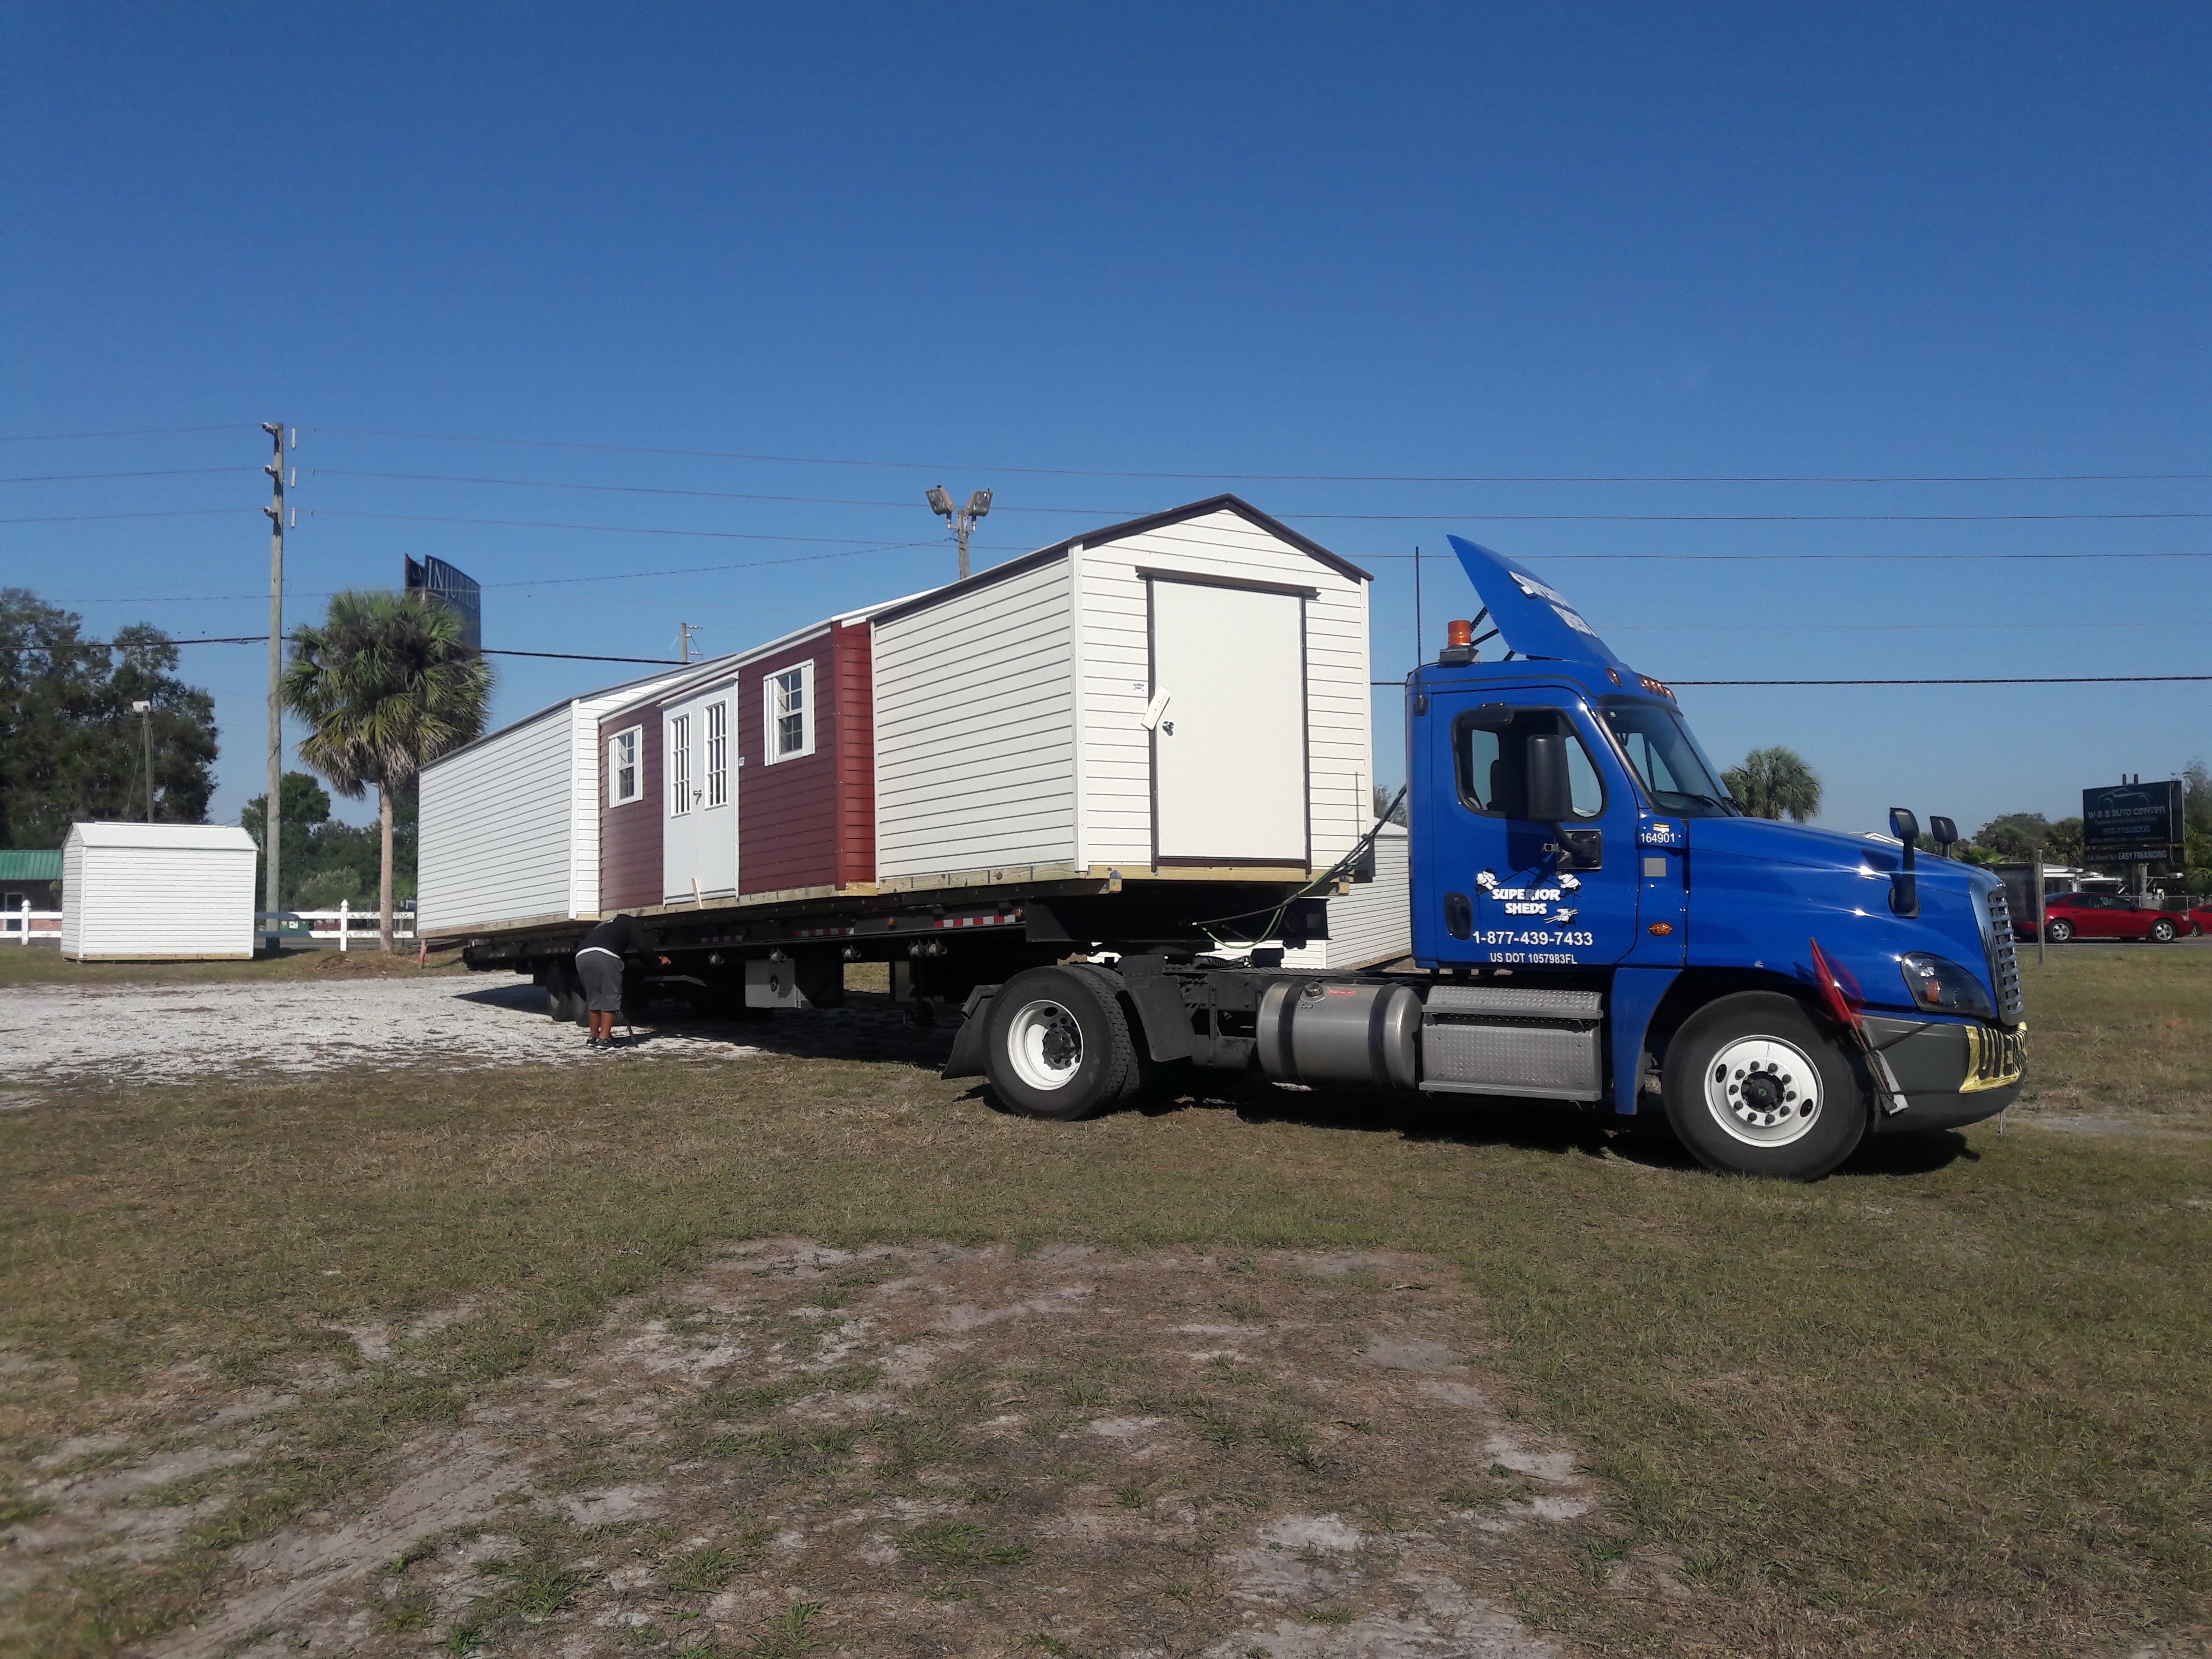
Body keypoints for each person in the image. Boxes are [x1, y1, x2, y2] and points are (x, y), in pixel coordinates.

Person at [574, 914, 671, 1047]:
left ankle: (593, 1037)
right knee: (610, 995)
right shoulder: (632, 923)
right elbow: (643, 947)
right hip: (605, 954)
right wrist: (657, 961)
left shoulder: (607, 923)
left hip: (581, 955)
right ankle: (605, 1039)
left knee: (595, 997)